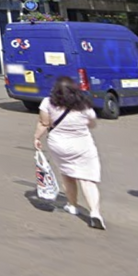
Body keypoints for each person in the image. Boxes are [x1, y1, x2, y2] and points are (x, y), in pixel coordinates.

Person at [34, 76, 105, 230]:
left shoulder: (47, 103)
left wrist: (36, 137)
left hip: (58, 145)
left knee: (67, 175)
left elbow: (44, 123)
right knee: (88, 179)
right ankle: (95, 212)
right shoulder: (84, 105)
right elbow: (92, 124)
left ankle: (72, 205)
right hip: (82, 144)